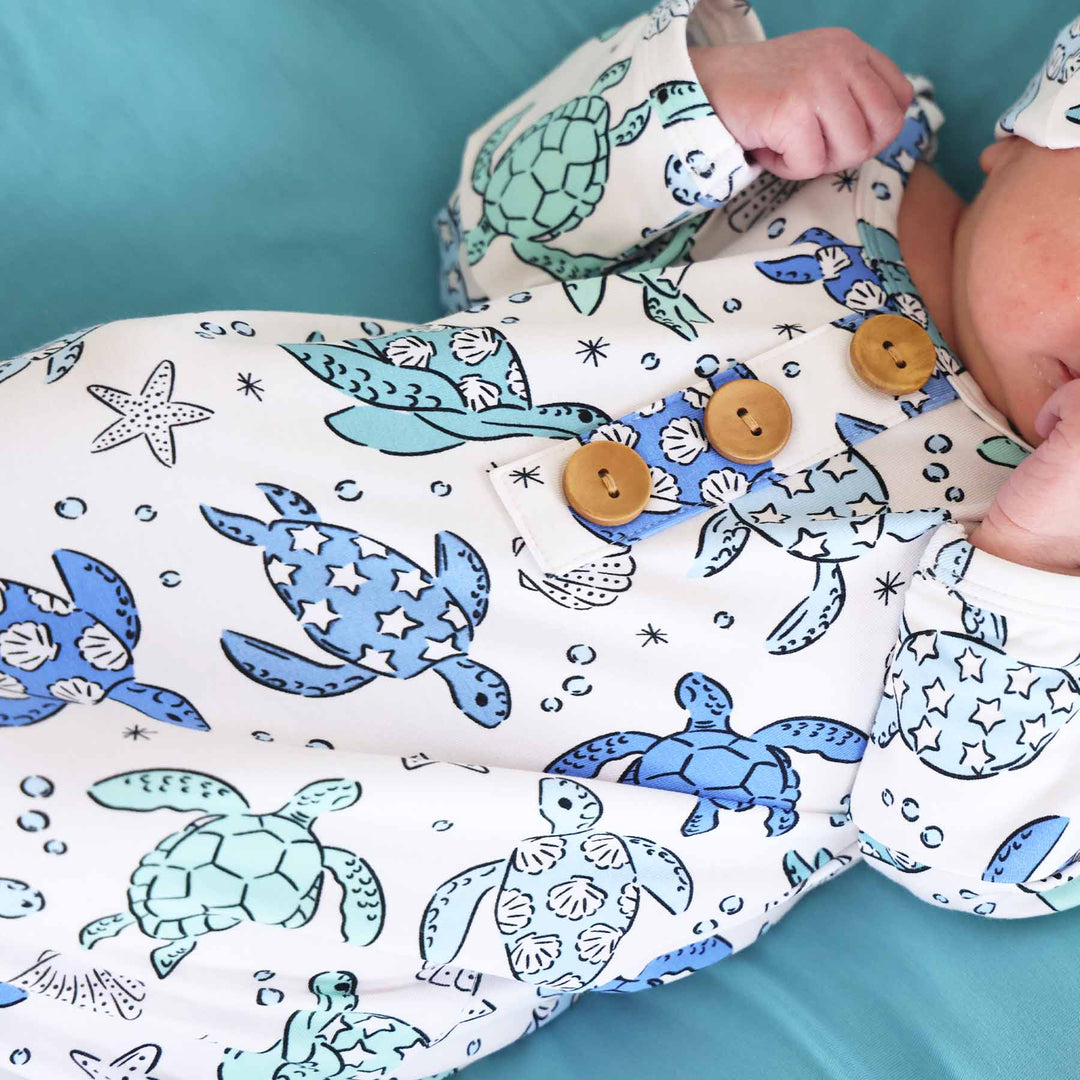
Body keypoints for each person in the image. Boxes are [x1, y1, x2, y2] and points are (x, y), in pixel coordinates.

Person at [1, 1, 1078, 1075]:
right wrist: (703, 108)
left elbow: (974, 849)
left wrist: (1035, 564)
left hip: (436, 829)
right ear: (1023, 141)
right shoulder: (822, 175)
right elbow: (501, 234)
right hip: (207, 490)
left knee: (94, 910)